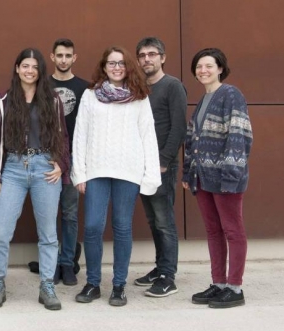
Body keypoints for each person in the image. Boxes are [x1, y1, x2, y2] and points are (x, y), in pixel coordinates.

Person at [72, 46, 161, 307]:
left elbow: (148, 136)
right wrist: (79, 172)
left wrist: (150, 175)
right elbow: (80, 134)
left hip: (128, 171)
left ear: (128, 66)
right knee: (92, 227)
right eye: (111, 63)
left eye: (121, 63)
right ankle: (93, 283)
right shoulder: (90, 96)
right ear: (104, 66)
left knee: (122, 228)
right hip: (96, 170)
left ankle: (119, 285)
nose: (117, 67)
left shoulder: (139, 97)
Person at [0, 48, 70, 310]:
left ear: (40, 70)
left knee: (48, 233)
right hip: (12, 168)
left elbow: (62, 137)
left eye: (34, 66)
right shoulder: (3, 100)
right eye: (25, 65)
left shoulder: (53, 99)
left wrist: (61, 164)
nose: (29, 70)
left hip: (45, 167)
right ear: (17, 68)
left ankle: (46, 286)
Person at [183, 48, 252, 309]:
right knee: (213, 231)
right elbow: (192, 141)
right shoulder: (204, 100)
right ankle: (219, 283)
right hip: (203, 179)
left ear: (220, 68)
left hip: (226, 178)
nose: (203, 70)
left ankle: (235, 288)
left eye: (209, 66)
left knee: (233, 231)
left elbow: (240, 135)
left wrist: (231, 174)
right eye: (199, 66)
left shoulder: (231, 94)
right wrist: (188, 172)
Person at [135, 37, 187, 298]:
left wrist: (164, 162)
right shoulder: (141, 88)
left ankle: (168, 275)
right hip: (142, 167)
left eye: (152, 54)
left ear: (162, 58)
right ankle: (159, 268)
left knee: (164, 221)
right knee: (153, 220)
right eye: (142, 55)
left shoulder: (172, 86)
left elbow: (179, 127)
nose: (147, 59)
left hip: (162, 166)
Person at [46, 38, 89, 285]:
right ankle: (52, 264)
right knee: (49, 214)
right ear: (52, 57)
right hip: (48, 157)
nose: (63, 59)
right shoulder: (42, 85)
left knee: (70, 214)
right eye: (59, 55)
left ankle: (67, 263)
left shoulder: (85, 88)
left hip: (73, 158)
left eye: (68, 55)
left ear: (75, 58)